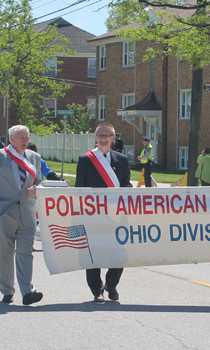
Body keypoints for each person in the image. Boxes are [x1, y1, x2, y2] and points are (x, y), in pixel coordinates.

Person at [0, 125, 44, 306]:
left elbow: (39, 180)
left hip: (28, 211)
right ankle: (7, 290)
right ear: (11, 139)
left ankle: (27, 291)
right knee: (6, 252)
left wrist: (36, 190)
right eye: (21, 138)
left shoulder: (34, 157)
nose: (25, 141)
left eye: (27, 138)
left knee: (26, 252)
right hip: (6, 211)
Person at [76, 122, 132, 302]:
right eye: (100, 135)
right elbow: (79, 189)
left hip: (117, 215)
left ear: (113, 138)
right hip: (93, 215)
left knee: (120, 252)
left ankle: (111, 284)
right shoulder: (85, 159)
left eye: (106, 135)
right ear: (95, 138)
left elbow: (125, 184)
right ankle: (97, 290)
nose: (103, 138)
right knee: (94, 253)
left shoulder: (121, 159)